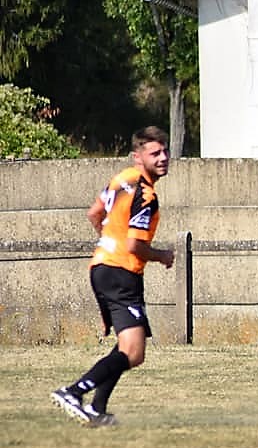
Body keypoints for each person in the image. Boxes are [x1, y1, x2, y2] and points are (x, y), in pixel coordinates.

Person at [50, 126, 174, 426]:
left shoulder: (122, 180)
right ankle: (74, 392)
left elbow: (94, 213)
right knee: (133, 352)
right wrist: (163, 257)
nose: (163, 158)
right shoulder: (145, 193)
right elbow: (135, 245)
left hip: (101, 266)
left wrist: (108, 241)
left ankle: (97, 407)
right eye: (154, 153)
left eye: (165, 151)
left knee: (128, 348)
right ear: (138, 156)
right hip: (121, 272)